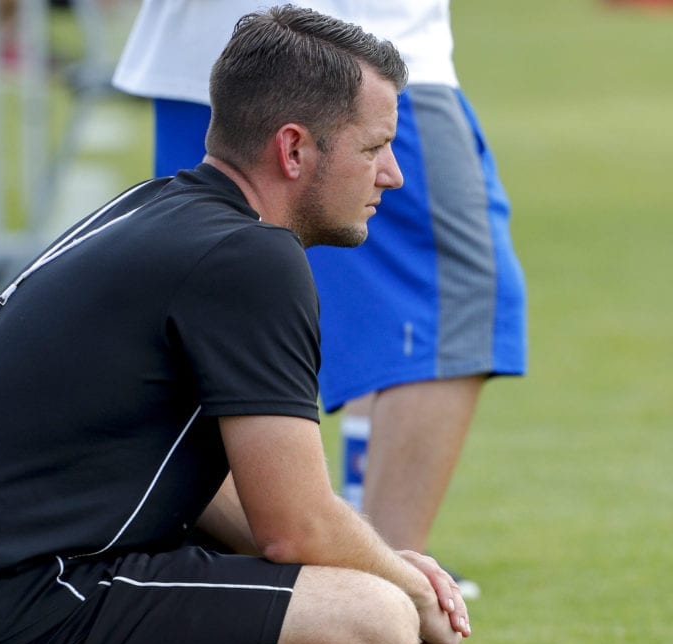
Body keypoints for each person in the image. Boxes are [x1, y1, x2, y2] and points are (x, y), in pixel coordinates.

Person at [0, 7, 469, 644]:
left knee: (354, 587)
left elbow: (224, 497)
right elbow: (293, 525)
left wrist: (380, 559)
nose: (392, 174)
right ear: (293, 149)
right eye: (373, 146)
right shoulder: (250, 257)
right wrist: (415, 592)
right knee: (371, 624)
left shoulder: (152, 209)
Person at [113, 0, 528, 596]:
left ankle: (302, 573)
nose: (389, 175)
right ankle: (388, 588)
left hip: (199, 55)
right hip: (346, 51)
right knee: (459, 305)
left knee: (210, 308)